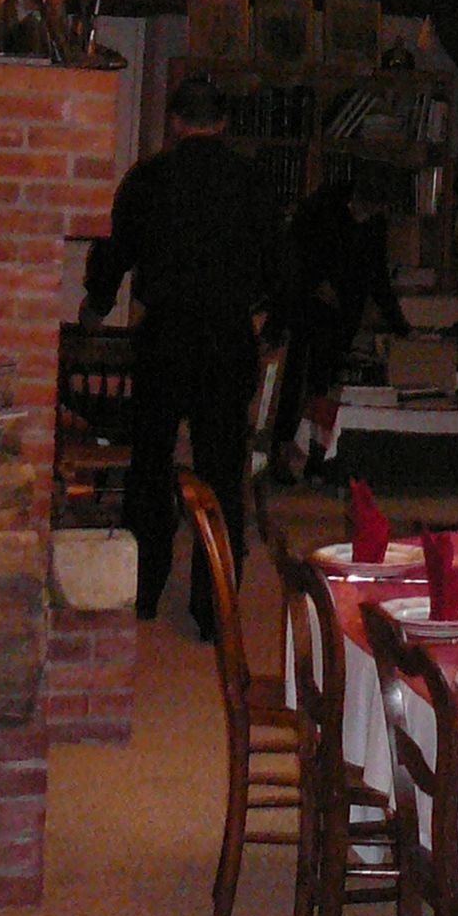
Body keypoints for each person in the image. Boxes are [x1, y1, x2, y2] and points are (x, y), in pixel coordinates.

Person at [80, 74, 282, 635]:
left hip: (165, 334)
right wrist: (273, 325)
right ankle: (212, 607)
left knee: (150, 463)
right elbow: (280, 263)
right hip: (226, 334)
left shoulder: (147, 179)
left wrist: (96, 305)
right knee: (221, 471)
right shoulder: (251, 181)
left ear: (173, 122)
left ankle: (144, 590)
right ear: (224, 122)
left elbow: (114, 251)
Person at [273, 173, 409, 475]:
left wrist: (400, 324)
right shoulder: (321, 209)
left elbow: (377, 275)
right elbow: (295, 255)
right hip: (307, 308)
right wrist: (316, 283)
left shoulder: (372, 224)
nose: (368, 216)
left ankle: (316, 457)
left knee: (326, 388)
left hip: (343, 315)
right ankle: (282, 450)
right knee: (295, 384)